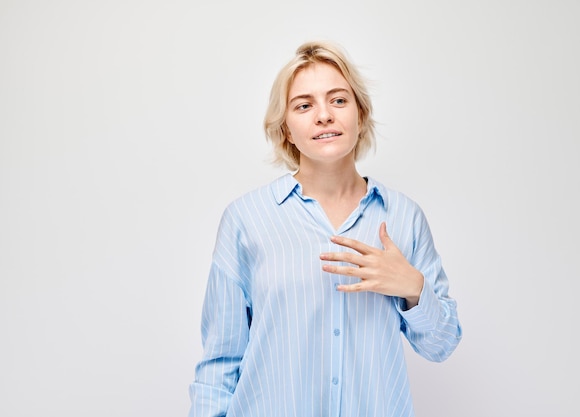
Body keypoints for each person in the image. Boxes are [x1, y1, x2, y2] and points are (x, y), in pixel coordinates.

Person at [188, 41, 462, 417]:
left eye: (338, 100)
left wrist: (413, 289)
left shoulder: (404, 218)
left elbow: (442, 344)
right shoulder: (247, 219)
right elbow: (220, 361)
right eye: (304, 105)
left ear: (360, 115)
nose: (324, 116)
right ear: (285, 128)